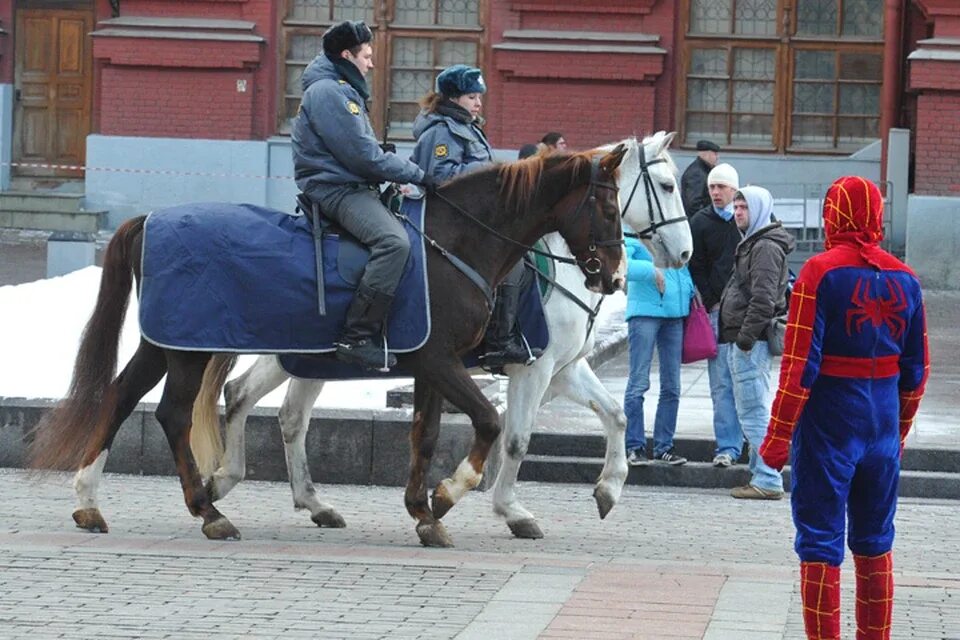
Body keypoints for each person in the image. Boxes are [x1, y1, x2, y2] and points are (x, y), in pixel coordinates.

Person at [758, 177, 928, 640]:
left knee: (820, 542)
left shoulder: (819, 272)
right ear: (876, 213)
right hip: (882, 426)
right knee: (875, 543)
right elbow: (917, 372)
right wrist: (899, 433)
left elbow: (798, 368)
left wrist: (775, 443)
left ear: (833, 213)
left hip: (830, 425)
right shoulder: (906, 279)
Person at [291, 20, 433, 371]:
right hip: (336, 190)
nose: (371, 63)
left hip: (351, 184)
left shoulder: (343, 89)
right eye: (367, 56)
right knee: (393, 243)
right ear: (346, 55)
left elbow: (361, 151)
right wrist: (418, 174)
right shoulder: (329, 92)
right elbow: (361, 156)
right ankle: (355, 336)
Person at [410, 64, 540, 369]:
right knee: (513, 265)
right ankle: (499, 342)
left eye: (479, 96)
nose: (478, 102)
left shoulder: (468, 127)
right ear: (453, 99)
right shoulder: (442, 130)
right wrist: (491, 173)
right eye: (471, 97)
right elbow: (441, 177)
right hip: (452, 223)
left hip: (474, 217)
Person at [718, 186, 795, 500]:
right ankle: (760, 475)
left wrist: (746, 340)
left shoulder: (763, 247)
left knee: (753, 411)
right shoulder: (754, 242)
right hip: (746, 339)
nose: (737, 213)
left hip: (750, 341)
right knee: (751, 407)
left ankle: (767, 479)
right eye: (736, 207)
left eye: (743, 208)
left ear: (759, 210)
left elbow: (763, 300)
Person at [688, 163, 743, 468]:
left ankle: (753, 439)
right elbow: (695, 266)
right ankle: (728, 445)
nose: (716, 192)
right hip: (715, 312)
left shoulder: (745, 218)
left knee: (747, 380)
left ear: (734, 189)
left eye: (721, 186)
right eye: (712, 187)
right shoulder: (700, 222)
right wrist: (711, 300)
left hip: (746, 314)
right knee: (721, 382)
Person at [623, 235, 695, 465]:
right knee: (638, 383)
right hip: (644, 313)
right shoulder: (630, 231)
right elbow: (622, 264)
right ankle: (634, 447)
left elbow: (681, 266)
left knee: (672, 386)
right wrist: (652, 271)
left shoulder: (670, 230)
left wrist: (688, 288)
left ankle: (664, 446)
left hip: (675, 314)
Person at [681, 140, 719, 217]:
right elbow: (694, 204)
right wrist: (705, 220)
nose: (717, 158)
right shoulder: (696, 174)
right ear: (707, 155)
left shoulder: (702, 170)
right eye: (715, 154)